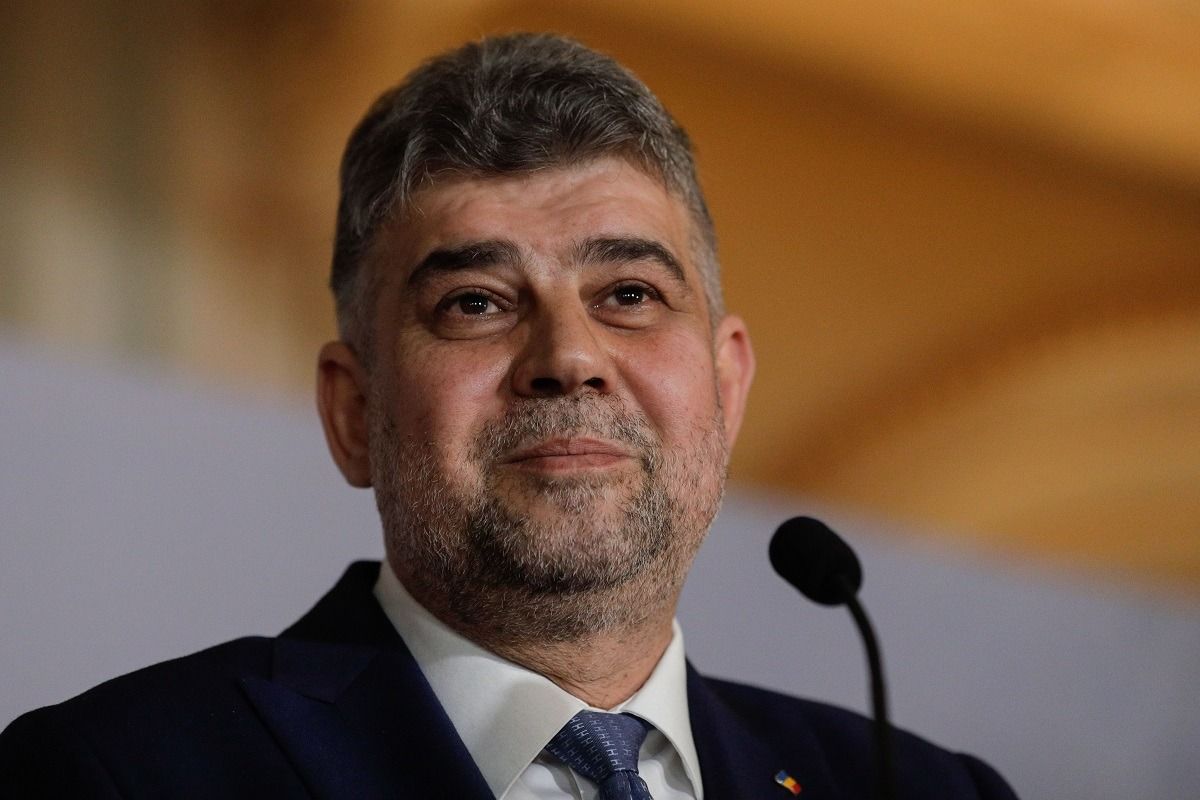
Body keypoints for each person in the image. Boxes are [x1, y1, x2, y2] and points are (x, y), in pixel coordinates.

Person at [0, 33, 1018, 799]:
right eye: (476, 303)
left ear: (727, 385)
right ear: (353, 411)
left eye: (629, 294)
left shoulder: (925, 790)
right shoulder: (117, 772)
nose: (569, 358)